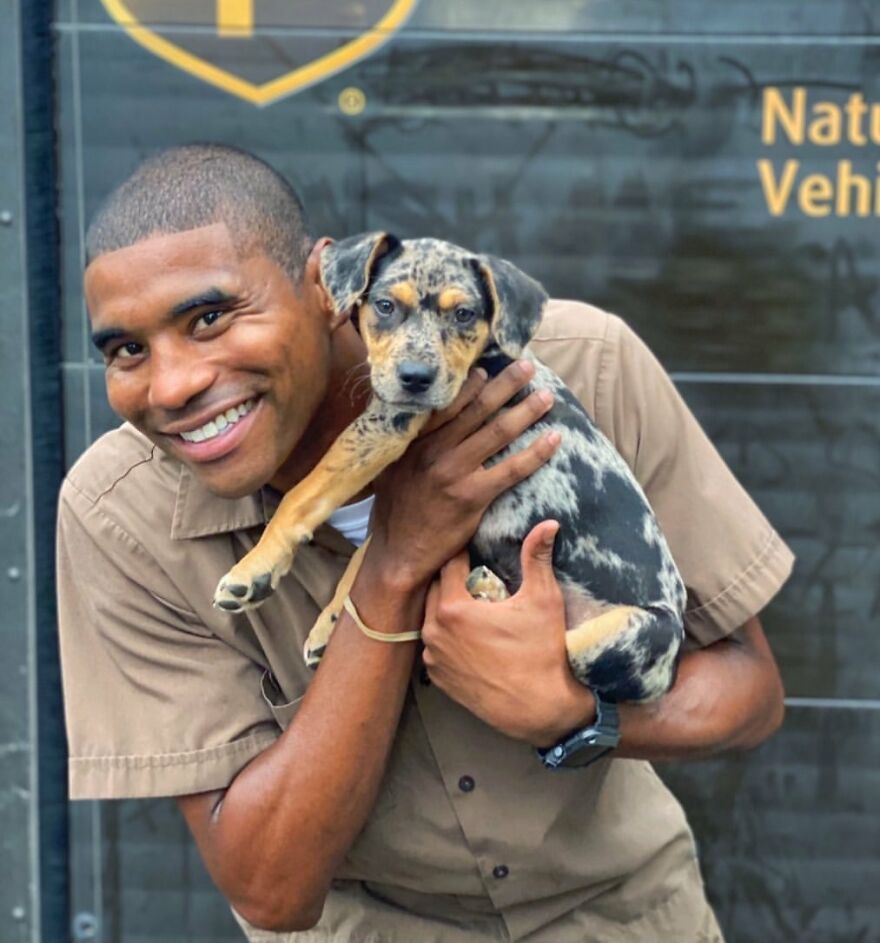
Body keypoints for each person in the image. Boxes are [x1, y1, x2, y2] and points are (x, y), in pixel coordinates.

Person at [57, 144, 794, 943]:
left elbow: (750, 693)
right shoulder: (116, 517)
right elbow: (270, 886)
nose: (171, 384)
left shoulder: (581, 367)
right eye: (127, 350)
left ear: (322, 287)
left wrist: (573, 713)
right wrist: (395, 562)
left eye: (211, 318)